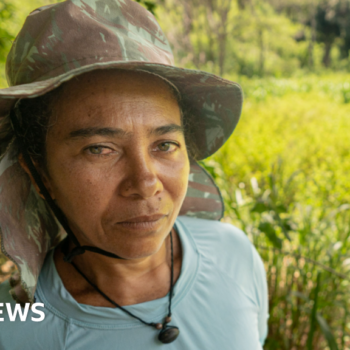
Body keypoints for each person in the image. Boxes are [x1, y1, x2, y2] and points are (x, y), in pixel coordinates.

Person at [0, 0, 268, 349]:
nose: (145, 184)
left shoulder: (233, 255)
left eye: (165, 144)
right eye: (99, 149)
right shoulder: (13, 325)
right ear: (38, 173)